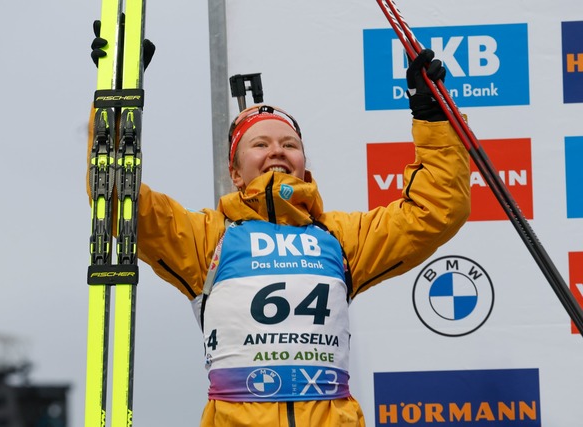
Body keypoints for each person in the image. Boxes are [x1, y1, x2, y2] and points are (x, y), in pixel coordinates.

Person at [87, 33, 470, 426]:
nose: (277, 150)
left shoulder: (340, 237)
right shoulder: (207, 238)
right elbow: (117, 199)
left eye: (289, 143)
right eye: (260, 144)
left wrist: (432, 115)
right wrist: (117, 102)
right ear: (235, 173)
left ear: (303, 163)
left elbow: (436, 210)